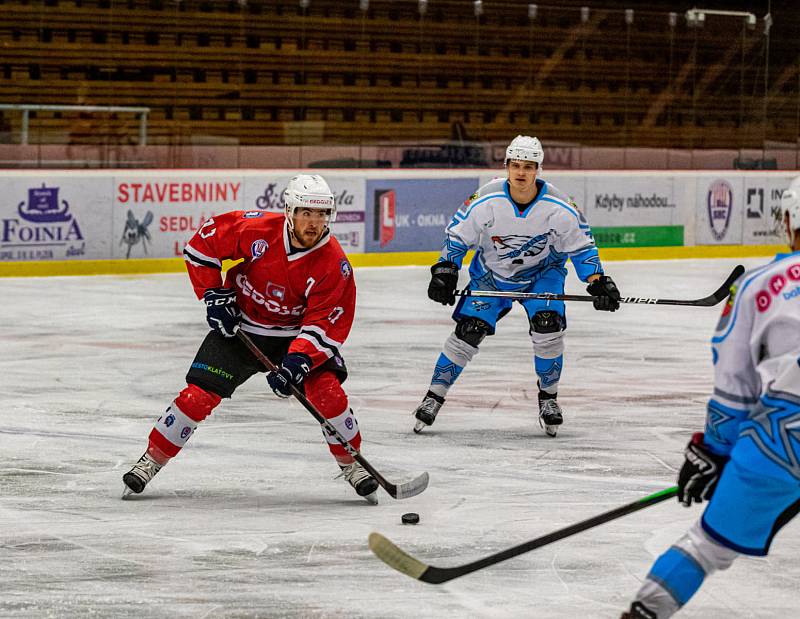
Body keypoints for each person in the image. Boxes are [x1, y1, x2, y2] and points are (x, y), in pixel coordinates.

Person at [122, 174, 380, 504]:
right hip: (241, 329)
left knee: (328, 395)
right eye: (305, 213)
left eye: (321, 215)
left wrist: (299, 360)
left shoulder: (334, 264)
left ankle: (352, 465)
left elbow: (325, 323)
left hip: (294, 338)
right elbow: (202, 245)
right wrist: (214, 295)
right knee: (196, 397)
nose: (313, 223)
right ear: (289, 210)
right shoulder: (255, 229)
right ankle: (150, 461)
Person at [621, 177, 800, 618]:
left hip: (783, 445)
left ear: (789, 220)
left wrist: (715, 451)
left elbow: (734, 387)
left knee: (706, 547)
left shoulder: (764, 285)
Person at [412, 135, 621, 437]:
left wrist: (599, 282)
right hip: (492, 275)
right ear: (507, 166)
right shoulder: (486, 198)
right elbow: (458, 236)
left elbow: (582, 247)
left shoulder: (559, 206)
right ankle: (433, 396)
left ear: (538, 170)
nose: (521, 173)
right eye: (516, 165)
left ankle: (548, 399)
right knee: (469, 330)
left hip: (543, 274)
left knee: (547, 325)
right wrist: (445, 270)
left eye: (528, 166)